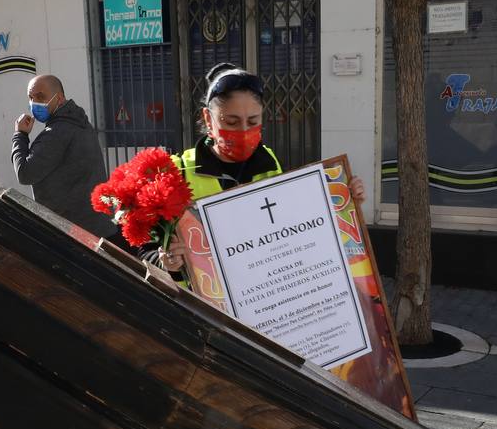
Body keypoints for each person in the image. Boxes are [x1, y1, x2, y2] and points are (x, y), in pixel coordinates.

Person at [156, 63, 366, 273]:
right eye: (231, 122)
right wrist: (167, 261)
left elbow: (301, 225)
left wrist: (345, 198)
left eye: (253, 121)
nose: (244, 131)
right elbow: (148, 248)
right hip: (203, 302)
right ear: (208, 119)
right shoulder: (178, 172)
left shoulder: (271, 165)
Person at [11, 74, 114, 238]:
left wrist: (20, 135)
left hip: (76, 231)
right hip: (98, 224)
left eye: (40, 97)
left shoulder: (57, 132)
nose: (34, 103)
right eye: (31, 98)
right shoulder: (81, 122)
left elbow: (25, 173)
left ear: (58, 98)